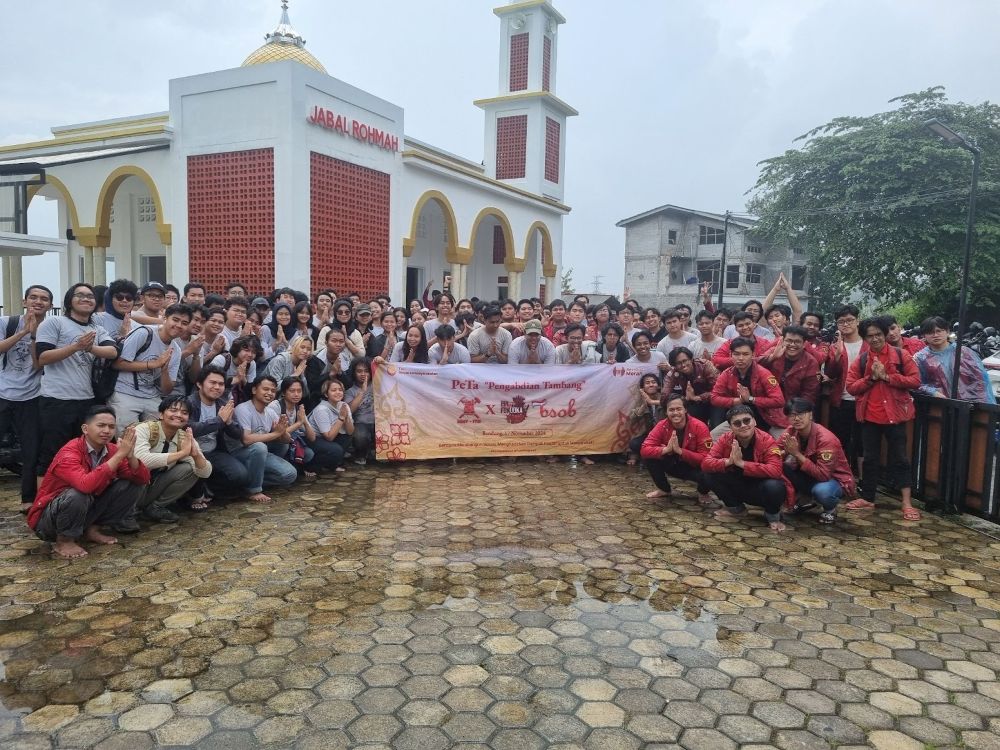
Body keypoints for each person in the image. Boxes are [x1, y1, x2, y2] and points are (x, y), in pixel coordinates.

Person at [27, 406, 150, 558]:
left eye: (111, 427)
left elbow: (143, 479)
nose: (107, 431)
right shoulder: (69, 452)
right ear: (85, 429)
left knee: (132, 484)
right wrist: (120, 455)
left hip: (85, 510)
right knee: (77, 493)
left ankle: (92, 530)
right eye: (101, 425)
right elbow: (85, 485)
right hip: (48, 522)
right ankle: (64, 540)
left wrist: (130, 456)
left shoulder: (111, 449)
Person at [34, 283, 119, 476]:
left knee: (83, 453)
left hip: (86, 400)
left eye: (90, 296)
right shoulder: (55, 323)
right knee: (51, 453)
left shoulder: (97, 329)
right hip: (56, 399)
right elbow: (43, 357)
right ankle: (43, 503)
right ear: (69, 301)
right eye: (79, 295)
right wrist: (76, 347)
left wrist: (89, 348)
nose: (86, 299)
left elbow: (112, 351)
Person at [844, 317, 921, 520]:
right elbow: (851, 387)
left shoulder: (900, 354)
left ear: (885, 334)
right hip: (869, 416)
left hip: (895, 416)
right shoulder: (861, 360)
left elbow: (915, 380)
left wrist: (887, 377)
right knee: (870, 458)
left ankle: (906, 502)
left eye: (878, 334)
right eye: (870, 335)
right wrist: (871, 378)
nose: (875, 338)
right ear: (865, 338)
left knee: (901, 458)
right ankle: (868, 497)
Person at [0, 284, 53, 511]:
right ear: (24, 301)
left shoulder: (50, 328)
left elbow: (38, 364)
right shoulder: (7, 323)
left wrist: (33, 336)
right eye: (33, 297)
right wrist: (22, 332)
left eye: (44, 299)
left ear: (50, 305)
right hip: (2, 392)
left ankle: (27, 499)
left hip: (32, 395)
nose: (38, 302)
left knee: (31, 450)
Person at [701, 405, 789, 532]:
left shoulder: (767, 440)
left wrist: (742, 463)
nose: (743, 425)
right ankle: (736, 509)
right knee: (708, 474)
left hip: (760, 489)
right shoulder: (725, 438)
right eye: (737, 423)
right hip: (738, 485)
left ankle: (773, 517)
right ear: (730, 427)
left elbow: (776, 470)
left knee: (776, 486)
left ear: (754, 421)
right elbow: (706, 463)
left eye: (746, 420)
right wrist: (728, 462)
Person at [186, 366, 262, 505]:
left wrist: (228, 422)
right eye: (212, 383)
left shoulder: (223, 404)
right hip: (191, 452)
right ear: (199, 384)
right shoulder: (189, 403)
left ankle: (209, 488)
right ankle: (192, 494)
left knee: (240, 475)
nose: (217, 387)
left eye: (221, 384)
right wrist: (218, 420)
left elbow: (237, 434)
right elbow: (189, 428)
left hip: (213, 451)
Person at [107, 304, 189, 431]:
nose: (179, 325)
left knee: (160, 434)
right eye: (175, 320)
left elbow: (167, 390)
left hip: (151, 395)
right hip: (124, 392)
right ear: (165, 318)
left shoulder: (176, 351)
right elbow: (117, 363)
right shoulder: (144, 333)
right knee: (127, 437)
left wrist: (164, 369)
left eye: (184, 323)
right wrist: (153, 364)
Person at [132, 395, 212, 522]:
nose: (179, 415)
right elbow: (141, 461)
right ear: (161, 414)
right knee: (138, 472)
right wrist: (182, 453)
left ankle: (155, 508)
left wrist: (196, 455)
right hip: (131, 489)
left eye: (184, 413)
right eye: (173, 410)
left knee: (191, 468)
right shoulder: (143, 429)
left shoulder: (184, 437)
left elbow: (205, 472)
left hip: (153, 487)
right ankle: (127, 512)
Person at [779, 398, 854, 525]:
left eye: (801, 414)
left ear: (811, 414)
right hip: (808, 475)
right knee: (778, 466)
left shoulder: (826, 439)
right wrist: (781, 453)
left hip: (833, 480)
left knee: (822, 491)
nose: (796, 419)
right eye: (792, 415)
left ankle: (830, 509)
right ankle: (804, 500)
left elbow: (823, 475)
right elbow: (774, 450)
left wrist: (796, 454)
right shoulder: (791, 431)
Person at [231, 375, 298, 502]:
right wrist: (276, 434)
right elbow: (246, 440)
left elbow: (287, 440)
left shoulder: (270, 412)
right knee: (260, 446)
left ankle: (247, 482)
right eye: (265, 389)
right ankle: (253, 490)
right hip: (239, 453)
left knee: (290, 474)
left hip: (259, 454)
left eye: (273, 391)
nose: (270, 393)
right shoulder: (243, 409)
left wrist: (282, 431)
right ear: (254, 390)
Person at [639, 393, 713, 504]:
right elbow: (644, 449)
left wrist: (681, 451)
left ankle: (703, 492)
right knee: (649, 458)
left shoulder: (700, 427)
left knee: (711, 469)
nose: (675, 413)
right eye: (671, 410)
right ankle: (664, 489)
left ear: (685, 410)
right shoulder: (661, 425)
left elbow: (706, 458)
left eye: (679, 409)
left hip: (693, 467)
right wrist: (665, 450)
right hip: (672, 463)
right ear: (666, 412)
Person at [709, 337, 786, 438]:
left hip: (767, 418)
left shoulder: (763, 373)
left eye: (745, 354)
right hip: (738, 418)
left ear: (753, 355)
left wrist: (751, 399)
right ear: (731, 355)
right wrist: (737, 401)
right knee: (713, 436)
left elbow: (779, 400)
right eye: (736, 354)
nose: (740, 358)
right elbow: (714, 398)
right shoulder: (727, 373)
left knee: (785, 442)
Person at [913, 316, 995, 404]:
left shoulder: (964, 352)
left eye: (939, 331)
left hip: (969, 406)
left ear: (947, 331)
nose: (935, 335)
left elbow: (981, 380)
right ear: (924, 335)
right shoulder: (921, 358)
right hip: (939, 406)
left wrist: (982, 403)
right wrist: (932, 392)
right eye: (930, 332)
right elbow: (915, 383)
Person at [825, 304, 865, 473]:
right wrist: (835, 357)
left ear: (858, 321)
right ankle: (842, 476)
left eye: (850, 320)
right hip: (840, 400)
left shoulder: (868, 344)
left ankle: (863, 479)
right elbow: (830, 374)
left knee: (863, 442)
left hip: (864, 401)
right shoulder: (834, 347)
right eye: (841, 321)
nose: (846, 324)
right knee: (840, 440)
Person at [266, 377, 320, 478]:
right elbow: (278, 432)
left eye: (299, 391)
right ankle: (278, 470)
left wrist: (304, 421)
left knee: (309, 454)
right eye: (292, 391)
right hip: (272, 442)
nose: (296, 394)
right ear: (283, 393)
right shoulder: (275, 406)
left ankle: (290, 468)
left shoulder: (298, 408)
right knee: (284, 445)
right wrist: (299, 423)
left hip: (290, 441)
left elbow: (312, 437)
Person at [758, 325, 821, 404]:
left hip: (795, 406)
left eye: (797, 342)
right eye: (789, 341)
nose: (792, 344)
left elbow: (810, 393)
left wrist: (795, 410)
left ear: (804, 344)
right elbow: (754, 365)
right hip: (769, 402)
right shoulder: (775, 351)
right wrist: (772, 358)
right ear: (783, 341)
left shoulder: (811, 362)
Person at [308, 378, 354, 472]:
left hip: (329, 437)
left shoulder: (343, 405)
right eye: (333, 390)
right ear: (326, 394)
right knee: (336, 450)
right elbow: (329, 437)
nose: (338, 392)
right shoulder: (322, 409)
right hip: (313, 439)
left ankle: (332, 464)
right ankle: (310, 467)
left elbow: (350, 431)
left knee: (347, 437)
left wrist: (347, 417)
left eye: (340, 390)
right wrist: (341, 418)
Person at [664, 347, 718, 425]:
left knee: (715, 425)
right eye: (678, 363)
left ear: (691, 359)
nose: (683, 365)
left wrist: (697, 397)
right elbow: (665, 395)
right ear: (674, 366)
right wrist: (683, 399)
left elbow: (718, 392)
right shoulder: (673, 373)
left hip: (714, 401)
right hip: (692, 403)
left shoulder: (705, 365)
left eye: (685, 361)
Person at [627, 373, 663, 465]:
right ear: (642, 388)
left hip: (666, 435)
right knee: (634, 443)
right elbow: (631, 419)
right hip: (651, 435)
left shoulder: (665, 397)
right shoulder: (640, 400)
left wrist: (653, 402)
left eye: (653, 382)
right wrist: (644, 405)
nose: (651, 384)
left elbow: (670, 404)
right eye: (647, 383)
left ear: (658, 386)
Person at [345, 358, 375, 464]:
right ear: (354, 373)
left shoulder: (378, 384)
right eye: (359, 371)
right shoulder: (350, 391)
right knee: (360, 437)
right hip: (361, 423)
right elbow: (350, 411)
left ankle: (373, 452)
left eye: (366, 371)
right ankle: (360, 455)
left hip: (380, 422)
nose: (363, 374)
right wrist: (362, 392)